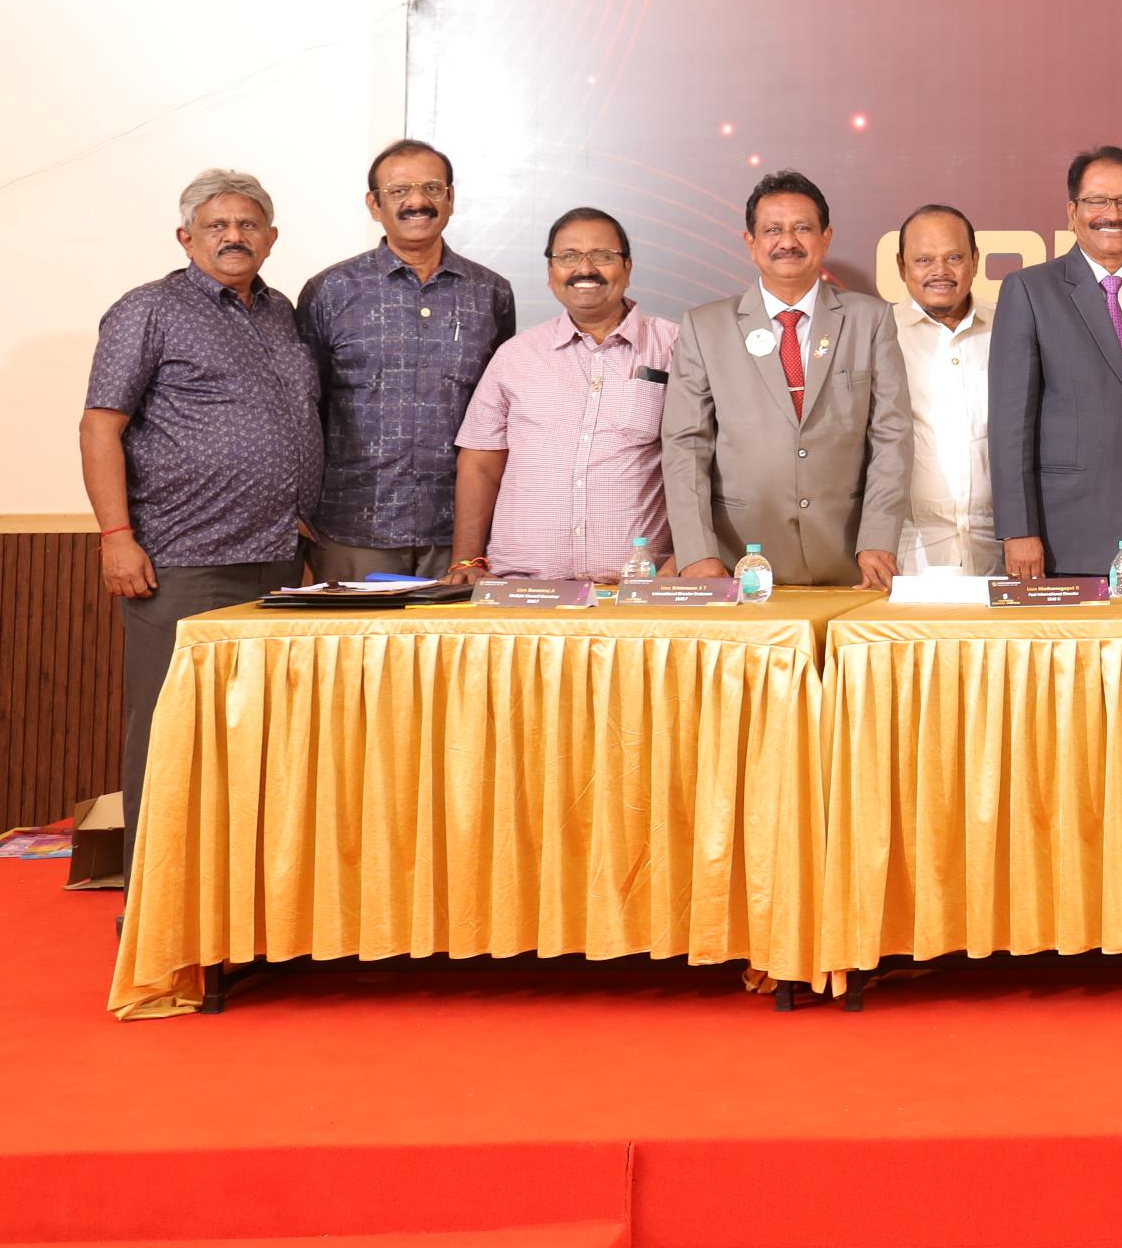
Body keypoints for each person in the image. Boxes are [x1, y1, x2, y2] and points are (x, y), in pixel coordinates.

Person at [80, 169, 323, 848]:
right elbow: (99, 427)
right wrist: (116, 535)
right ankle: (156, 895)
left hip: (278, 560)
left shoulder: (281, 313)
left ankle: (238, 887)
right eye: (217, 225)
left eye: (247, 225)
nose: (233, 236)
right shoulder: (148, 309)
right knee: (171, 727)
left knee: (258, 730)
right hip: (181, 560)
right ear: (186, 238)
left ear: (271, 238)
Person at [660, 170, 910, 587]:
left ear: (826, 237)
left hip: (851, 561)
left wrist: (878, 538)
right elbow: (686, 446)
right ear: (750, 242)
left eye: (802, 228)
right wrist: (697, 553)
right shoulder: (705, 327)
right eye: (772, 230)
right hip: (737, 564)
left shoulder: (870, 319)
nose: (787, 242)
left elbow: (892, 436)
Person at [294, 139, 515, 581]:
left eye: (432, 188)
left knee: (455, 632)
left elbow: (498, 416)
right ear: (374, 204)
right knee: (356, 633)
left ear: (450, 198)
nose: (417, 202)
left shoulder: (491, 293)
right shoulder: (330, 291)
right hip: (353, 527)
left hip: (460, 534)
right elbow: (303, 411)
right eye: (399, 191)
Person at [989, 146, 1122, 579]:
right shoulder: (1030, 290)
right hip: (1066, 536)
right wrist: (1018, 529)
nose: (1113, 214)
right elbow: (1010, 426)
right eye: (1097, 201)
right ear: (1072, 212)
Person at [448, 208, 678, 581]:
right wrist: (466, 560)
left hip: (639, 589)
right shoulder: (515, 356)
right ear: (550, 271)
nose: (584, 269)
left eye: (602, 256)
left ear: (628, 267)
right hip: (522, 589)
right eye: (568, 257)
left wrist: (688, 555)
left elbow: (710, 463)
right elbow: (480, 463)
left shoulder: (675, 347)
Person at [893, 204, 1001, 575]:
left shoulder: (1012, 326)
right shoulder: (879, 334)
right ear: (902, 267)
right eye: (924, 260)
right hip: (910, 551)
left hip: (1004, 547)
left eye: (953, 257)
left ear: (975, 261)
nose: (940, 271)